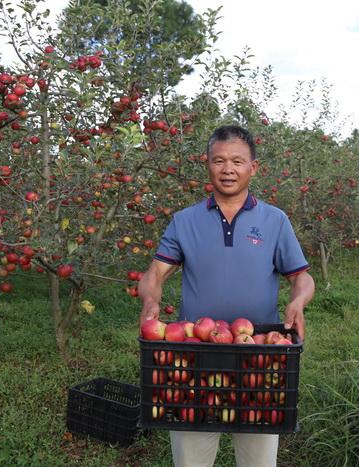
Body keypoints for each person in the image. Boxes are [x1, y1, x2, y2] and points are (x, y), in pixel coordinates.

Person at [137, 125, 315, 467]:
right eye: (219, 160)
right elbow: (156, 273)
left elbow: (301, 276)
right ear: (207, 164)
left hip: (258, 358)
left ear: (253, 168)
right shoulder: (184, 221)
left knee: (258, 460)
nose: (228, 169)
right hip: (193, 358)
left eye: (237, 161)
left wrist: (298, 300)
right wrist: (150, 299)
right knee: (191, 458)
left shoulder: (275, 221)